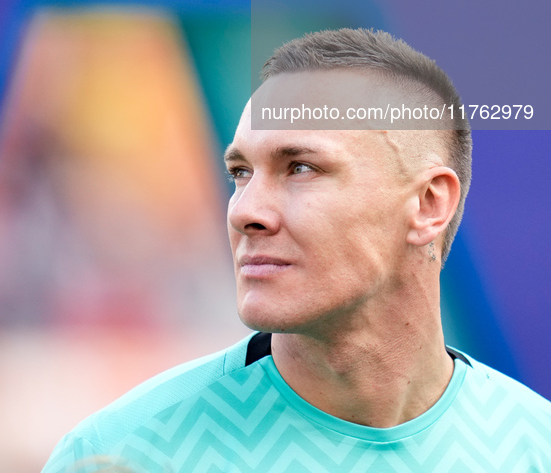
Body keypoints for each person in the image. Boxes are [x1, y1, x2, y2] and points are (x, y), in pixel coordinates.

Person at [42, 28, 551, 472]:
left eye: (300, 167)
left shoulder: (536, 448)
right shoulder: (124, 454)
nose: (244, 212)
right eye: (240, 173)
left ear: (427, 203)